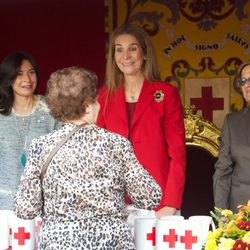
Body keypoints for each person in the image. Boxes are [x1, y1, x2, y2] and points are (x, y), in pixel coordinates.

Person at [13, 66, 162, 250]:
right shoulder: (117, 144)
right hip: (111, 243)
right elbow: (150, 197)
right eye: (96, 100)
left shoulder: (40, 147)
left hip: (58, 244)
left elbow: (25, 209)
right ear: (88, 105)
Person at [97, 24, 186, 217]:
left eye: (132, 48)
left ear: (144, 53)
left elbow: (177, 155)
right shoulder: (104, 97)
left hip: (159, 203)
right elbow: (98, 155)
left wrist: (171, 203)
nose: (125, 56)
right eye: (119, 50)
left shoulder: (166, 94)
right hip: (114, 203)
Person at [0, 51, 59, 209]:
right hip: (5, 205)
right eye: (19, 74)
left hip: (45, 204)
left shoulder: (52, 109)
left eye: (31, 72)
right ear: (8, 78)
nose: (27, 79)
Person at [213, 61, 250, 212]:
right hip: (241, 216)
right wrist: (222, 216)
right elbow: (222, 173)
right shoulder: (232, 123)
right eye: (243, 81)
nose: (247, 84)